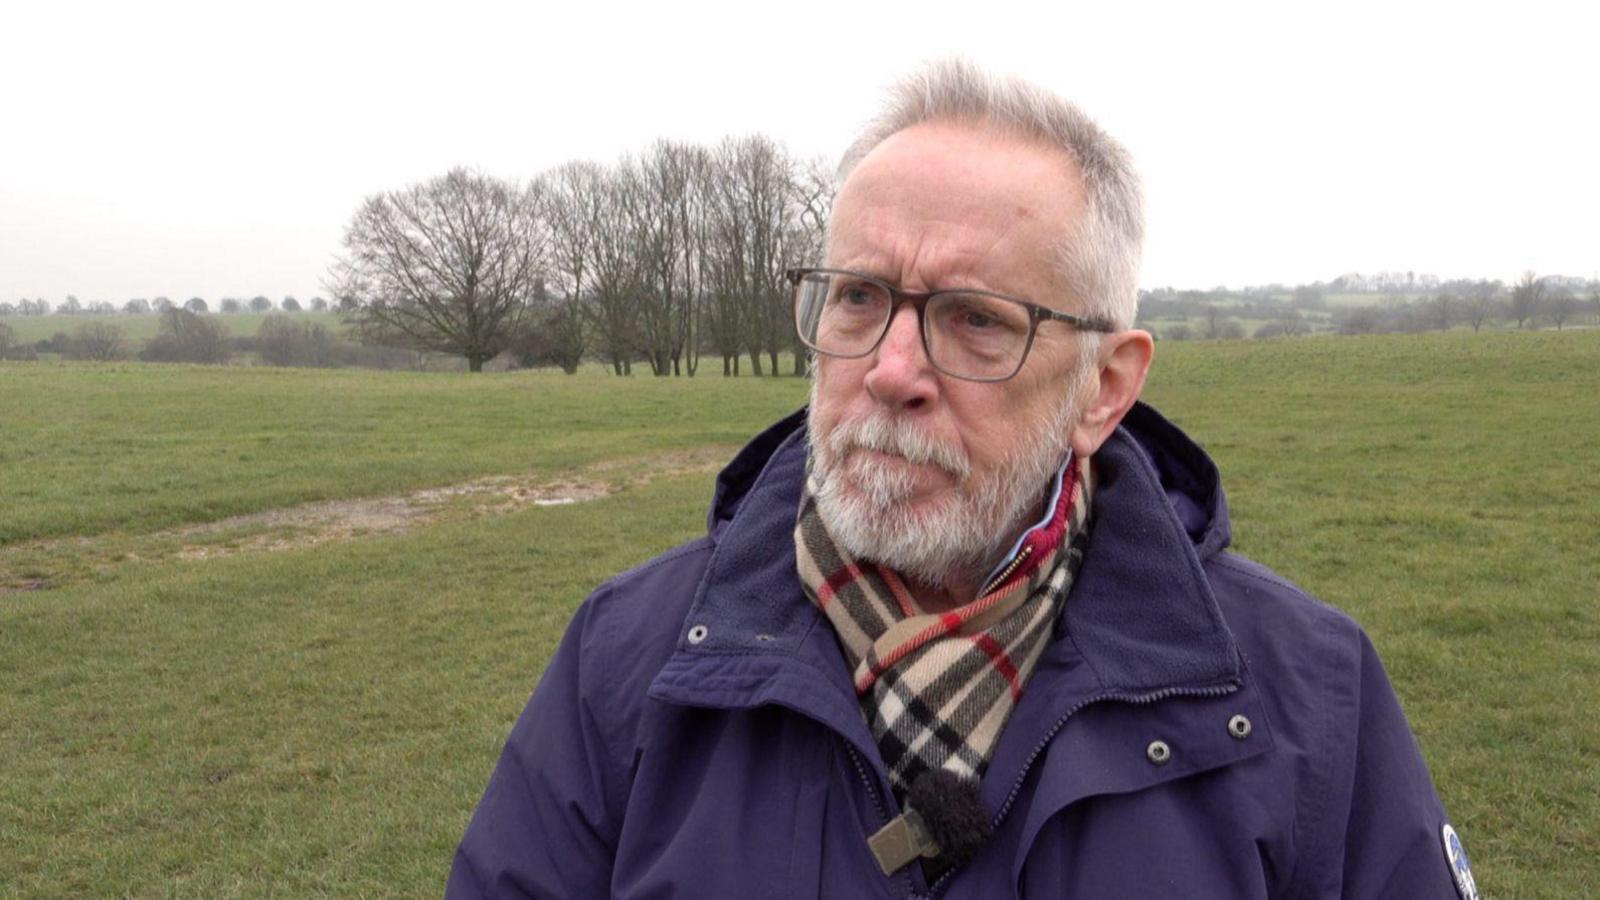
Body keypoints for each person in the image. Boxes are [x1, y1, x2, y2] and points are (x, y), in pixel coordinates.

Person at [447, 61, 1478, 900]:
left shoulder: (1305, 694)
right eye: (857, 298)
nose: (890, 372)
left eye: (976, 318)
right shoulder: (627, 660)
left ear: (1102, 388)